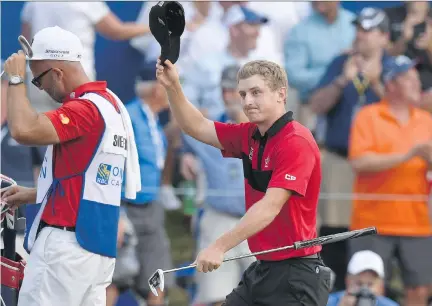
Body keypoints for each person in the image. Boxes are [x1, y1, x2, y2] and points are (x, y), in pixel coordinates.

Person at [156, 58, 331, 305]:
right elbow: (195, 126)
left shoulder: (296, 141)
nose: (247, 101)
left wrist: (219, 246)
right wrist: (173, 86)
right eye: (243, 93)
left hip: (296, 276)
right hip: (264, 268)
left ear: (281, 94)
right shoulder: (249, 134)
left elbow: (270, 207)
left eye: (256, 92)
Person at [1, 26, 140, 306]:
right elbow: (85, 177)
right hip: (97, 247)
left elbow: (23, 130)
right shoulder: (110, 104)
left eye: (38, 81)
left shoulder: (84, 109)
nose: (39, 88)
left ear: (57, 73)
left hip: (66, 246)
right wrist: (34, 193)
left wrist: (15, 79)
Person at [307, 7, 391, 292]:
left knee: (375, 231)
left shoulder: (394, 66)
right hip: (339, 159)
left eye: (368, 31)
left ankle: (375, 292)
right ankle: (336, 292)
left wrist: (378, 82)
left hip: (382, 164)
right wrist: (343, 79)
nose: (361, 35)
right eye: (359, 29)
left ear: (384, 37)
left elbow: (407, 113)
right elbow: (316, 105)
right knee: (334, 231)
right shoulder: (340, 62)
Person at [348, 55, 432, 306]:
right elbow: (359, 162)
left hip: (418, 222)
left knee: (419, 290)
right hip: (373, 221)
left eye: (416, 77)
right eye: (408, 77)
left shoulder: (427, 121)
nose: (416, 82)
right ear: (391, 84)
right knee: (368, 288)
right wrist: (408, 154)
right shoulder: (368, 116)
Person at [180, 65, 253, 306]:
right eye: (226, 90)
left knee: (267, 294)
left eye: (236, 90)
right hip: (219, 218)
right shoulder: (209, 127)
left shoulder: (267, 130)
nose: (229, 96)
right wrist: (185, 155)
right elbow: (182, 130)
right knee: (216, 297)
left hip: (258, 221)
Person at [21, 1, 151, 113]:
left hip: (40, 78)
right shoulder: (88, 2)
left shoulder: (33, 2)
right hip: (75, 80)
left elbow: (26, 44)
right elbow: (117, 31)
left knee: (41, 134)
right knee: (78, 135)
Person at [122, 64, 175, 306]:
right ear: (156, 89)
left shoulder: (154, 122)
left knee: (158, 276)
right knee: (114, 278)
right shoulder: (128, 117)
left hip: (151, 206)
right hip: (125, 207)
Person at [284, 0, 355, 131]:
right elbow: (294, 75)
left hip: (351, 107)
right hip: (314, 109)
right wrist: (334, 72)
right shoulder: (301, 30)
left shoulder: (354, 23)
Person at [327, 250, 399, 306]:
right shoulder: (329, 301)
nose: (364, 290)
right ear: (347, 281)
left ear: (381, 286)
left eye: (370, 284)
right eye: (359, 283)